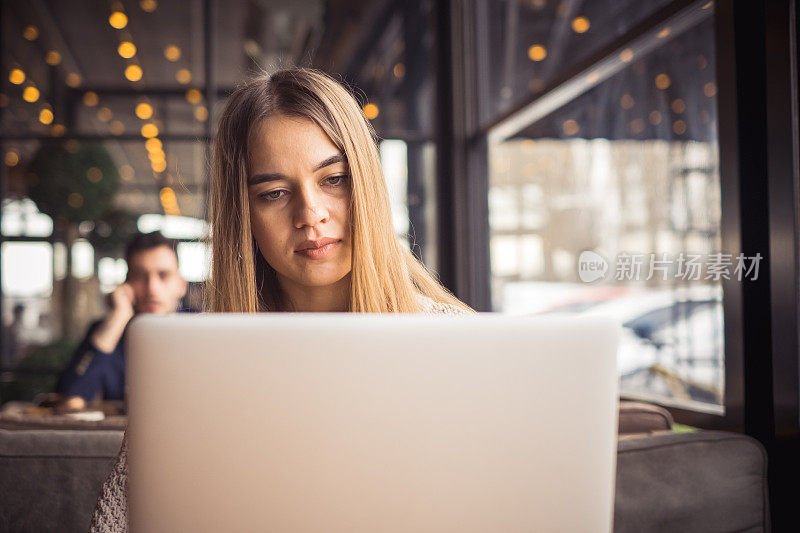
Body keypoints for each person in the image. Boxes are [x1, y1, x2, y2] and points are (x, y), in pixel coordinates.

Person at [89, 67, 472, 532]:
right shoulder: (198, 366)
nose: (310, 215)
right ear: (243, 215)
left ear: (367, 187)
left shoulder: (458, 344)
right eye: (273, 193)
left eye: (333, 179)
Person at [56, 231, 188, 406]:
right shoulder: (109, 332)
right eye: (140, 276)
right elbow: (70, 399)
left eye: (163, 275)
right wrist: (120, 315)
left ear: (181, 285)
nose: (152, 289)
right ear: (127, 283)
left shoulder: (203, 329)